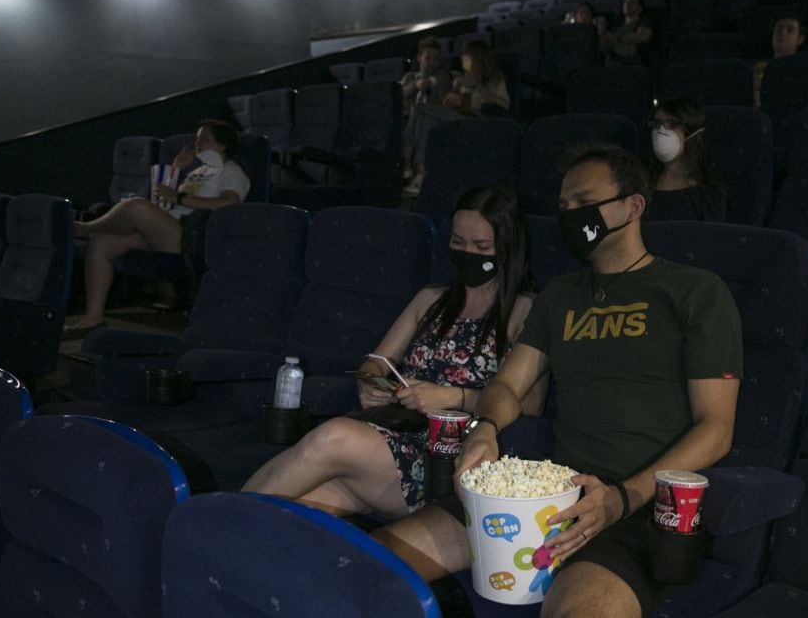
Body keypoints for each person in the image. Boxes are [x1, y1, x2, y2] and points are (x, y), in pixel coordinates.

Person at [373, 144, 743, 617]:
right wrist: (485, 429)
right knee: (374, 563)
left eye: (585, 202)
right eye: (564, 206)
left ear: (633, 206)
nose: (571, 215)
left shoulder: (694, 291)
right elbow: (508, 386)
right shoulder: (562, 295)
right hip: (546, 489)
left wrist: (622, 498)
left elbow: (717, 428)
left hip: (635, 504)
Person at [243, 184, 546, 519]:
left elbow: (530, 404)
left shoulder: (525, 310)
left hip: (446, 455)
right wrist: (371, 383)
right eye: (458, 243)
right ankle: (217, 540)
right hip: (389, 434)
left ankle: (209, 522)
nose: (467, 253)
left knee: (333, 437)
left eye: (481, 246)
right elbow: (377, 361)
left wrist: (448, 397)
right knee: (290, 509)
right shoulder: (431, 299)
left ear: (506, 248)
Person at [64, 119, 249, 338]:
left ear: (221, 146)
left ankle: (84, 229)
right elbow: (168, 202)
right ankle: (93, 318)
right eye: (196, 139)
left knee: (135, 207)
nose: (196, 143)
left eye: (204, 140)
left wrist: (179, 197)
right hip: (168, 228)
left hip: (191, 237)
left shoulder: (231, 172)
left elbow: (229, 203)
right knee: (102, 241)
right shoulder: (199, 171)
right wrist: (176, 169)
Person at [402, 40, 510, 195]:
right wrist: (455, 91)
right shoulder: (462, 78)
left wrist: (477, 86)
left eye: (466, 59)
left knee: (420, 108)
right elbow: (447, 105)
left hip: (478, 122)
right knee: (427, 118)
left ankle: (406, 161)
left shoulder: (494, 79)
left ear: (476, 59)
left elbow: (505, 105)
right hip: (458, 117)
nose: (463, 62)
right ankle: (420, 176)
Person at [644, 99, 729, 222]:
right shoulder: (638, 184)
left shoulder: (709, 194)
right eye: (656, 124)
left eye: (672, 124)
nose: (661, 131)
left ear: (694, 134)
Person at [753, 14, 806, 108]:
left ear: (800, 39)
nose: (783, 33)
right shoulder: (759, 67)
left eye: (790, 30)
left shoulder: (804, 69)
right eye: (779, 29)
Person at [400, 37, 454, 116]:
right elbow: (399, 95)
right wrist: (415, 86)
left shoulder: (445, 77)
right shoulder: (410, 77)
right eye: (428, 58)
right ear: (419, 58)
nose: (432, 62)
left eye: (436, 59)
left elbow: (445, 103)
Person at [599, 0, 654, 65]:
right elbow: (603, 48)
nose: (627, 4)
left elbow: (642, 36)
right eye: (625, 2)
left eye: (632, 2)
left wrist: (617, 39)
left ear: (640, 9)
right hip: (612, 64)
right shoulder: (616, 27)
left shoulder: (644, 22)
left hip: (632, 64)